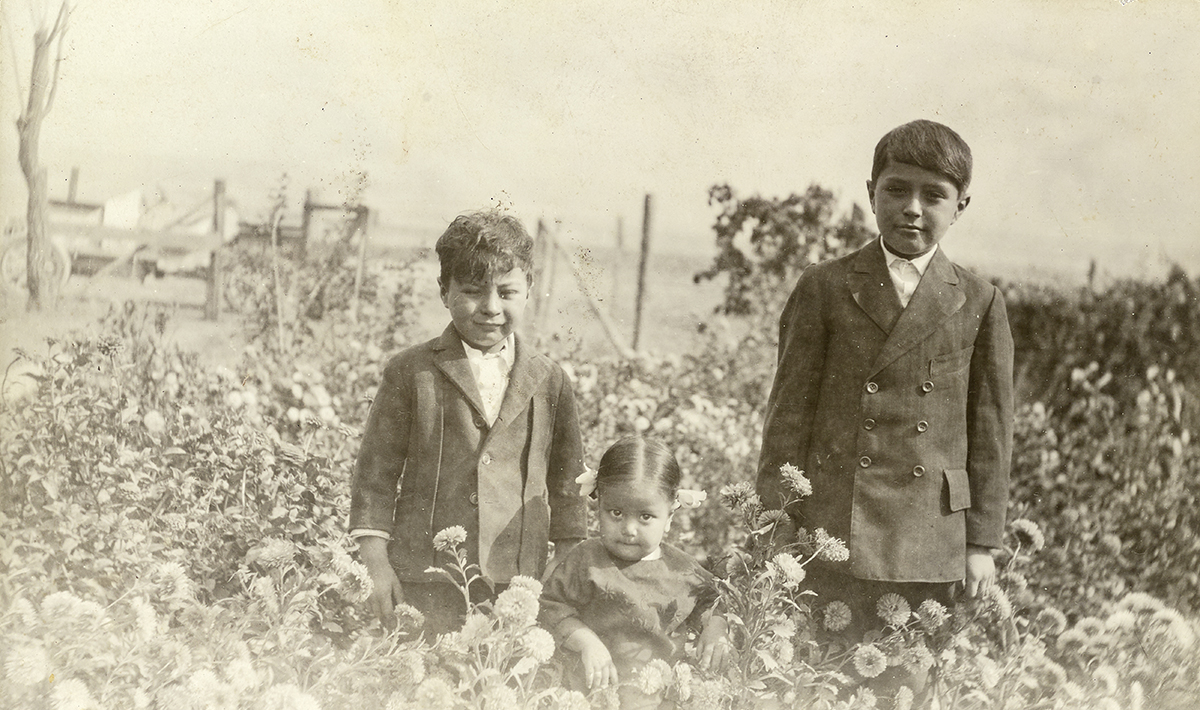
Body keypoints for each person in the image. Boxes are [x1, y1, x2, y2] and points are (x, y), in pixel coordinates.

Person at [756, 120, 1014, 699]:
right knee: (819, 683)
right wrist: (778, 520)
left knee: (906, 687)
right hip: (835, 527)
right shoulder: (823, 286)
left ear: (961, 206)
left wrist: (981, 545)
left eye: (934, 195)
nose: (913, 209)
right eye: (896, 190)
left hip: (928, 539)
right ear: (871, 191)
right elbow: (788, 418)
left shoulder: (979, 301)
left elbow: (991, 434)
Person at [349, 209, 588, 634]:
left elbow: (568, 486)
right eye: (474, 291)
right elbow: (375, 476)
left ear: (529, 290)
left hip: (517, 583)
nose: (491, 308)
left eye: (507, 292)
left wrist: (561, 566)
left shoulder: (549, 380)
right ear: (444, 291)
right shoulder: (410, 372)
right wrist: (376, 563)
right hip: (425, 579)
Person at [540, 435, 728, 709]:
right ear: (599, 505)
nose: (629, 528)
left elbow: (714, 601)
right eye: (616, 512)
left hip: (659, 699)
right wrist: (586, 642)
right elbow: (550, 606)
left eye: (645, 517)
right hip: (592, 695)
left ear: (669, 517)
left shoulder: (683, 571)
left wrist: (715, 628)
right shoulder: (587, 561)